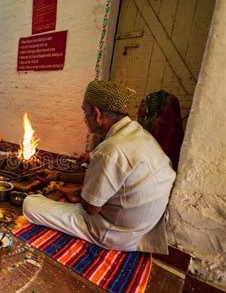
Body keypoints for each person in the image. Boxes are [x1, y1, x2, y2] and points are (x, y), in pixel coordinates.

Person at [23, 80, 176, 254]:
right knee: (87, 190)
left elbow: (91, 208)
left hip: (115, 232)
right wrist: (56, 176)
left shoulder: (111, 148)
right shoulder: (139, 134)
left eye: (84, 111)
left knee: (30, 204)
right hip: (143, 227)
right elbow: (108, 176)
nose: (84, 118)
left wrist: (77, 192)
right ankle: (76, 193)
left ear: (96, 113)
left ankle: (75, 198)